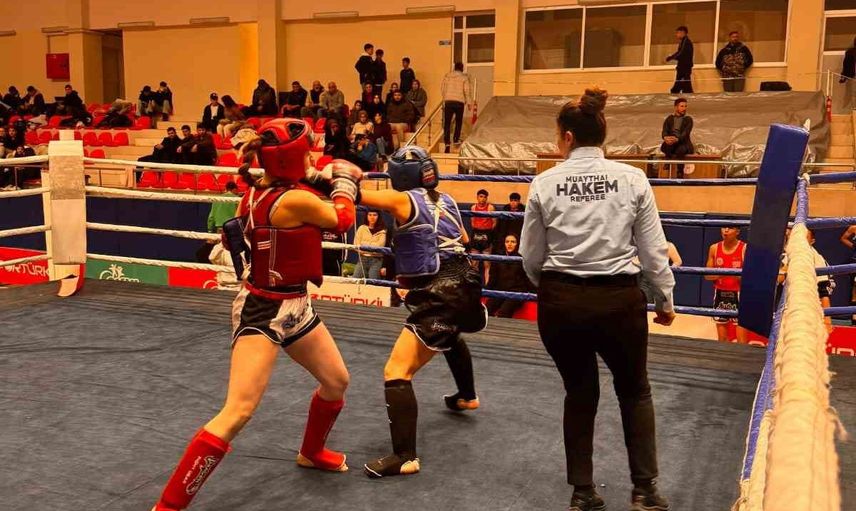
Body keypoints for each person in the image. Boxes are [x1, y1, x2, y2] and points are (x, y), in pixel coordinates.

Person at [150, 119, 362, 511]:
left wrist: (319, 176)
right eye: (308, 153)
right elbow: (342, 219)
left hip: (295, 305)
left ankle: (311, 452)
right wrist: (345, 181)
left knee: (336, 381)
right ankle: (167, 506)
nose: (313, 157)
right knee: (238, 410)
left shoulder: (258, 189)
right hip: (263, 311)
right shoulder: (292, 200)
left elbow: (304, 190)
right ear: (292, 160)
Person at [520, 88, 674, 511]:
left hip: (561, 301)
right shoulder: (633, 179)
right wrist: (664, 299)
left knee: (579, 391)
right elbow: (653, 250)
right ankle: (645, 490)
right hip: (618, 301)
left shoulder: (543, 183)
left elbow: (530, 256)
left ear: (567, 137)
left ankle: (583, 492)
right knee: (635, 390)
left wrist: (552, 288)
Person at [359, 146, 486, 478]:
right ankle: (467, 396)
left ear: (400, 176)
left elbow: (359, 196)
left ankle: (405, 457)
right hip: (466, 283)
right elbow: (463, 238)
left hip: (440, 292)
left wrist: (330, 176)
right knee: (449, 334)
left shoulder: (404, 199)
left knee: (396, 370)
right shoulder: (449, 200)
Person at [705, 226, 748, 344]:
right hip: (720, 294)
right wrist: (723, 273)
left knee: (741, 341)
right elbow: (707, 275)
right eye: (724, 227)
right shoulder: (714, 248)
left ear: (737, 231)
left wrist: (732, 273)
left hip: (739, 294)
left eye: (730, 228)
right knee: (722, 340)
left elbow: (750, 278)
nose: (726, 230)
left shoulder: (745, 248)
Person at [485, 234, 532, 318]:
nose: (509, 244)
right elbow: (493, 277)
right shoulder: (498, 257)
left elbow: (528, 278)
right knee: (487, 310)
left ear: (517, 244)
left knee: (503, 312)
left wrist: (531, 293)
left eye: (513, 242)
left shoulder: (522, 258)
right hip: (501, 290)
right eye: (507, 242)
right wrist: (485, 290)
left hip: (516, 292)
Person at [196, 181, 240, 263]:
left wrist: (210, 231)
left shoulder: (217, 199)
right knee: (230, 253)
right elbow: (239, 216)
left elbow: (211, 217)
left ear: (226, 189)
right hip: (232, 229)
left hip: (219, 229)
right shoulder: (237, 200)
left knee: (219, 253)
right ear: (234, 189)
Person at [440, 62, 471, 153]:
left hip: (449, 101)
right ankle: (456, 139)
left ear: (454, 68)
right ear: (462, 68)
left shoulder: (447, 76)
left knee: (447, 123)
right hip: (459, 102)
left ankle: (447, 143)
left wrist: (445, 99)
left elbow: (443, 88)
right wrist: (469, 102)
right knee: (458, 122)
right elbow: (467, 90)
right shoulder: (464, 78)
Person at [660, 98, 694, 178]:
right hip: (671, 142)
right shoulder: (669, 119)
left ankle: (680, 171)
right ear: (676, 107)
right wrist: (665, 138)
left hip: (683, 142)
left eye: (685, 106)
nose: (684, 108)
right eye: (682, 106)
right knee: (666, 145)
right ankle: (668, 161)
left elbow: (686, 133)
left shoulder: (688, 119)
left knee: (680, 150)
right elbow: (664, 130)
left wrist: (677, 139)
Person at [469, 189, 496, 282]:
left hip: (487, 234)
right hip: (476, 234)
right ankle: (473, 286)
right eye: (481, 196)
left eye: (485, 197)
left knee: (487, 264)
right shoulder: (473, 208)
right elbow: (472, 222)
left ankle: (487, 286)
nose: (483, 199)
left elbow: (494, 223)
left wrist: (486, 230)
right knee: (474, 263)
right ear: (477, 197)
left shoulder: (490, 208)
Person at [353, 210, 387, 279]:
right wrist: (371, 247)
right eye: (370, 215)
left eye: (374, 215)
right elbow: (356, 245)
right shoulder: (362, 228)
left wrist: (364, 245)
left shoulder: (383, 231)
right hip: (362, 259)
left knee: (373, 280)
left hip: (376, 260)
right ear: (367, 216)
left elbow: (379, 247)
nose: (372, 217)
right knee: (355, 279)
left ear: (378, 217)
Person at [666, 26, 694, 94]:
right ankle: (679, 92)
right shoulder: (683, 42)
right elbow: (679, 52)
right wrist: (671, 57)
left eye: (678, 33)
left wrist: (671, 57)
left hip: (684, 67)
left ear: (683, 33)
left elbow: (681, 53)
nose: (676, 35)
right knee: (684, 85)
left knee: (683, 85)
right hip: (682, 67)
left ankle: (677, 92)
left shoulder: (686, 42)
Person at [840, 224, 856, 325]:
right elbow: (843, 238)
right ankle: (854, 319)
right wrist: (854, 246)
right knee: (855, 289)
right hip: (855, 262)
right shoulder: (853, 228)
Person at [840, 36, 856, 111]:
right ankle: (854, 110)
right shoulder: (850, 52)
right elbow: (846, 65)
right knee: (854, 94)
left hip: (853, 76)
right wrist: (843, 76)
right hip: (853, 76)